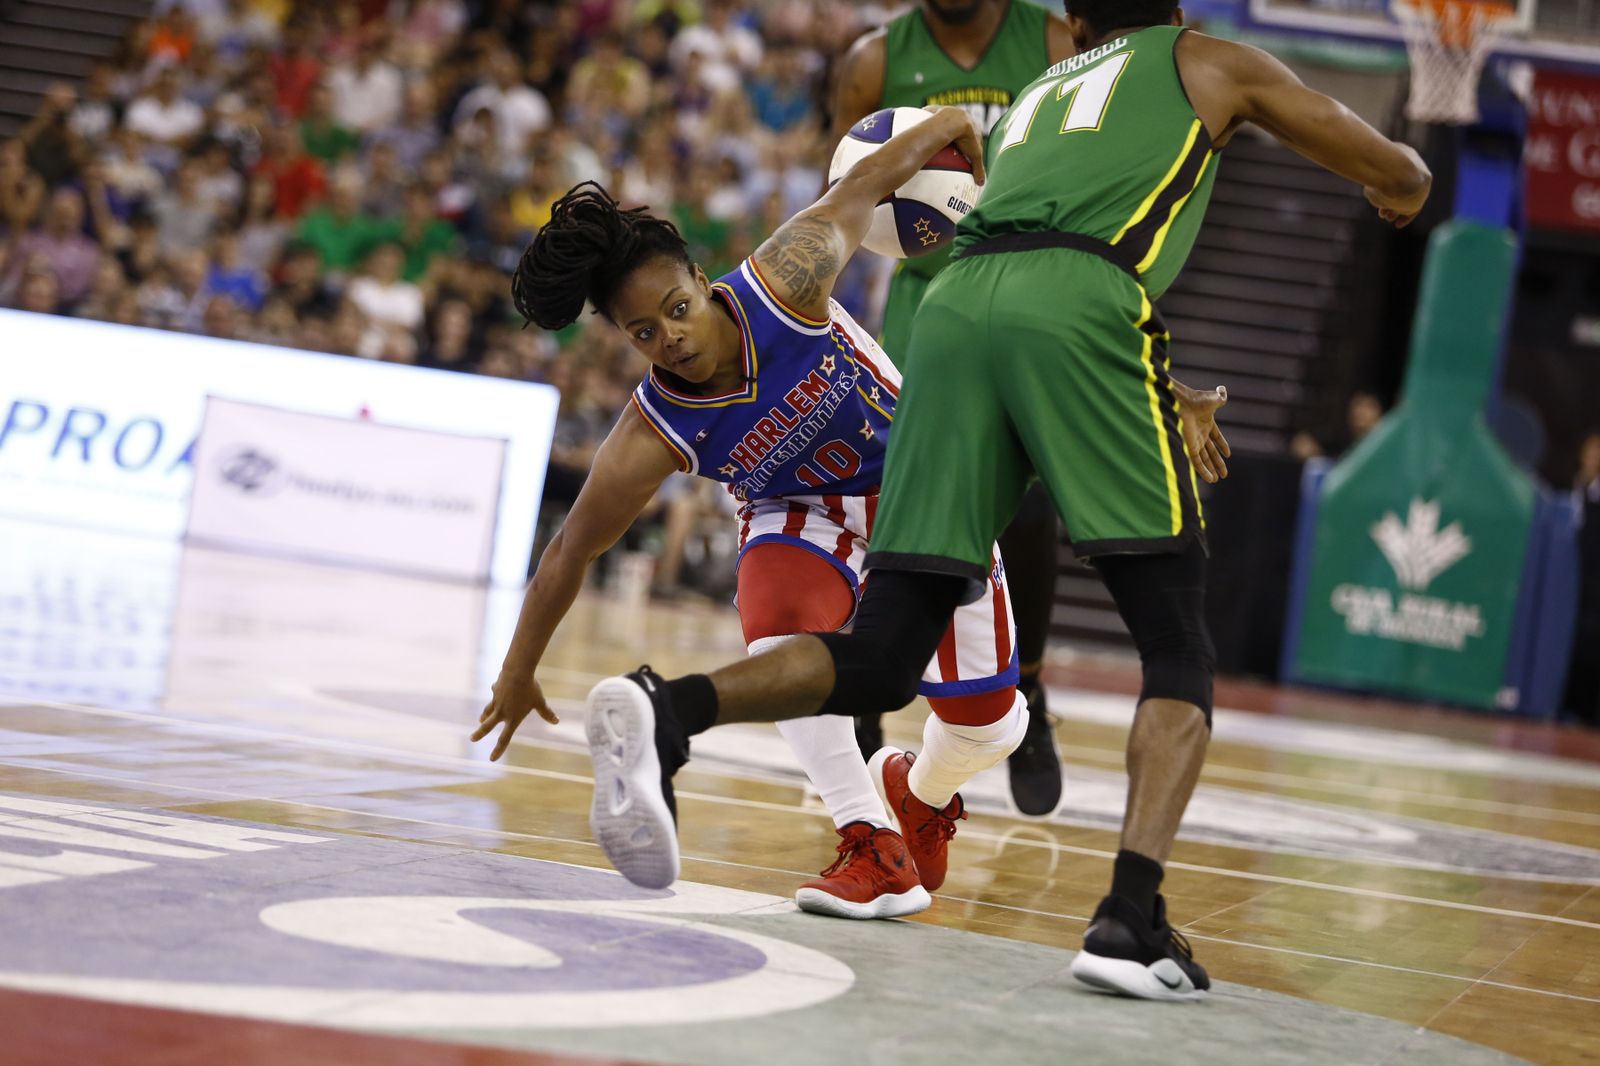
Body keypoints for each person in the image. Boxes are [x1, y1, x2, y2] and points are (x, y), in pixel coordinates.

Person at [571, 0, 1429, 1001]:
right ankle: (1129, 917)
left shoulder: (1032, 98)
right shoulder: (1207, 59)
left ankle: (670, 708)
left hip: (954, 312)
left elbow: (1015, 244)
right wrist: (1400, 188)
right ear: (1173, 11)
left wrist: (1154, 385)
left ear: (1076, 22)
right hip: (1073, 312)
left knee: (886, 656)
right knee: (1173, 641)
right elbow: (1384, 166)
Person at [832, 0, 1076, 815]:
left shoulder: (1052, 42)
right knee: (885, 495)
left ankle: (1028, 691)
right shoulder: (874, 60)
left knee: (1028, 508)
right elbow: (841, 194)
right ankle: (863, 699)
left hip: (1027, 290)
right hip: (924, 307)